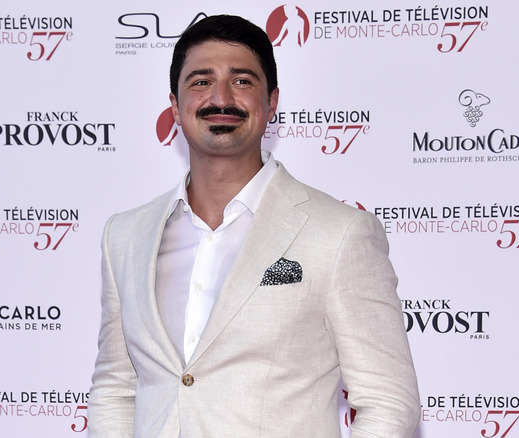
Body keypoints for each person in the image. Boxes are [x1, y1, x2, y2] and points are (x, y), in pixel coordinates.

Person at [89, 14, 419, 438]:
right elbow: (116, 388)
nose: (221, 98)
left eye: (242, 81)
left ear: (272, 101)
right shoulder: (125, 235)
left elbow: (388, 401)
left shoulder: (339, 233)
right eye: (201, 81)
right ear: (174, 104)